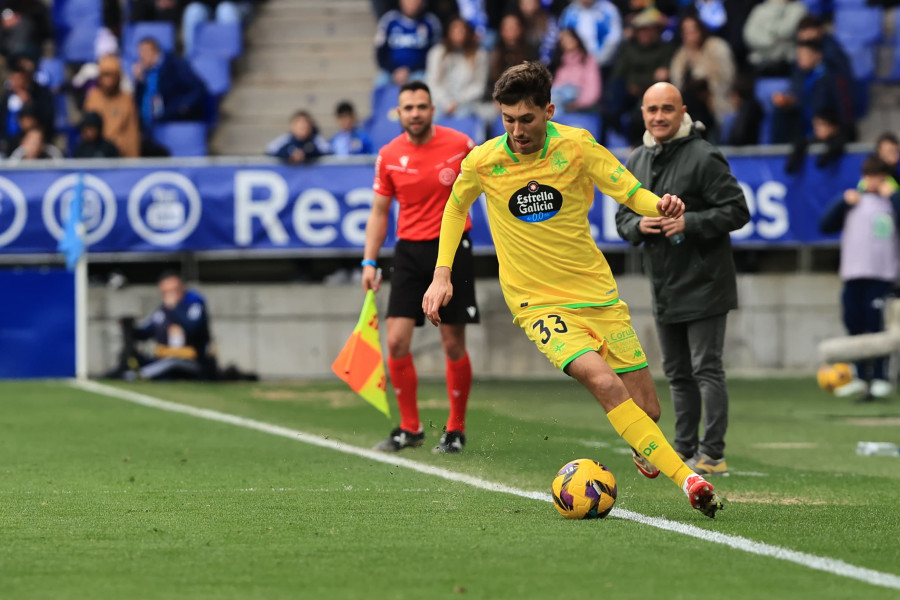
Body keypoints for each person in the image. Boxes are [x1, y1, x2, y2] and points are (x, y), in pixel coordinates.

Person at [422, 62, 723, 517]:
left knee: (648, 409)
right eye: (508, 119)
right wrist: (442, 273)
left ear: (549, 110)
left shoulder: (578, 147)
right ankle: (690, 480)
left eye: (527, 119)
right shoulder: (484, 161)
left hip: (596, 294)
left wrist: (658, 204)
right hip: (536, 302)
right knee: (601, 379)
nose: (517, 130)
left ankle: (647, 445)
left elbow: (630, 191)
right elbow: (453, 208)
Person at [615, 82, 749, 476]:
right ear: (643, 113)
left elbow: (737, 210)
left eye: (667, 109)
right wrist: (640, 224)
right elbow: (623, 221)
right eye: (652, 109)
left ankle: (713, 453)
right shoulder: (637, 159)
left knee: (707, 368)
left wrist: (689, 222)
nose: (659, 116)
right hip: (665, 283)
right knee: (676, 373)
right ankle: (685, 449)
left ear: (683, 112)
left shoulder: (704, 156)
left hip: (706, 280)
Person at [363, 80, 479, 455]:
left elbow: (492, 186)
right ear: (399, 113)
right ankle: (409, 429)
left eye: (421, 106)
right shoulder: (388, 155)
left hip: (452, 249)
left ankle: (455, 429)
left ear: (433, 109)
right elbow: (380, 212)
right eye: (408, 107)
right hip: (409, 253)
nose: (415, 113)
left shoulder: (460, 145)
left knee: (452, 343)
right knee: (395, 342)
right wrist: (369, 259)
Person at [819, 156, 900, 400]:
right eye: (868, 177)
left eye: (877, 177)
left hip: (881, 275)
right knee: (853, 324)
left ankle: (880, 377)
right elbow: (824, 225)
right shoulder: (854, 200)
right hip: (853, 274)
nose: (871, 182)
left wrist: (894, 197)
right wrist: (841, 202)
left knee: (877, 328)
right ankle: (855, 375)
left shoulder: (891, 202)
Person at [113, 271, 217, 381]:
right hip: (163, 359)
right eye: (166, 292)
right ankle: (118, 373)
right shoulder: (162, 311)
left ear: (182, 288)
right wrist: (128, 327)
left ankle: (138, 376)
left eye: (173, 291)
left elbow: (192, 328)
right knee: (136, 359)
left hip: (192, 361)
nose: (170, 295)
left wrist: (176, 308)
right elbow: (145, 333)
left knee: (172, 362)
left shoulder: (194, 305)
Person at [425, 16, 489, 119]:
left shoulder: (479, 55)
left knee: (476, 115)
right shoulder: (436, 53)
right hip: (441, 104)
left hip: (468, 104)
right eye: (455, 29)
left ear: (469, 32)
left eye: (462, 29)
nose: (459, 33)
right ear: (448, 32)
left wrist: (458, 101)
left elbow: (479, 86)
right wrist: (446, 102)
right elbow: (432, 84)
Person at [83, 54, 142, 158]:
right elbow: (88, 131)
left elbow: (132, 135)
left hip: (120, 155)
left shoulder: (127, 100)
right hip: (97, 155)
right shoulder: (93, 97)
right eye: (105, 75)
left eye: (111, 76)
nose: (108, 81)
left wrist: (133, 161)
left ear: (118, 77)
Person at [374, 0, 442, 87]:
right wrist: (394, 70)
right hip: (392, 71)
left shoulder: (431, 22)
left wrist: (410, 70)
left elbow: (434, 53)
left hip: (419, 70)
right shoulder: (389, 20)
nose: (412, 3)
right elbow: (381, 52)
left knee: (421, 82)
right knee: (381, 81)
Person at [549, 28, 601, 113]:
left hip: (581, 105)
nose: (566, 41)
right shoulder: (562, 62)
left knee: (568, 91)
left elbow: (593, 89)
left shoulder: (587, 60)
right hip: (561, 102)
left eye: (569, 38)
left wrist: (577, 104)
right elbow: (557, 85)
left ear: (576, 39)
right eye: (562, 40)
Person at [265, 110, 330, 163]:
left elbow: (327, 152)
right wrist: (288, 154)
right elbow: (270, 151)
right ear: (292, 126)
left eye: (305, 126)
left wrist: (307, 154)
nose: (303, 128)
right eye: (300, 126)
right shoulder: (285, 139)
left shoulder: (316, 140)